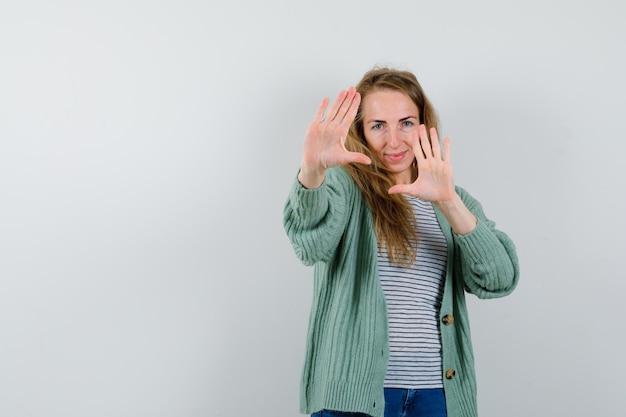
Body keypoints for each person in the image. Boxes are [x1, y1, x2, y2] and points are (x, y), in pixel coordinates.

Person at [282, 67, 519, 417]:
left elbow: (499, 279)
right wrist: (313, 171)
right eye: (378, 126)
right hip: (353, 397)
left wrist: (449, 203)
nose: (393, 141)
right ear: (360, 131)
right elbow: (309, 243)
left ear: (424, 125)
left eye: (406, 123)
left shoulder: (453, 199)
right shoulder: (346, 187)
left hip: (438, 396)